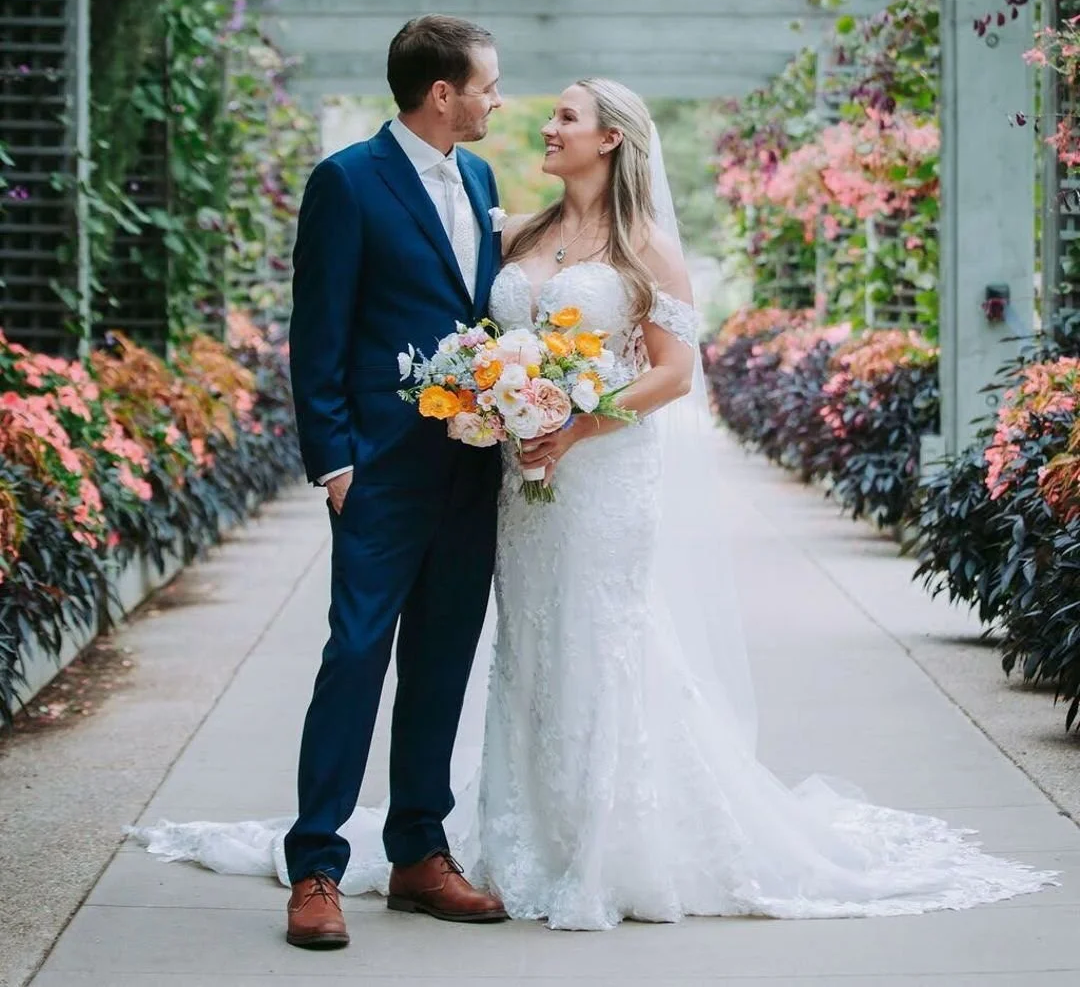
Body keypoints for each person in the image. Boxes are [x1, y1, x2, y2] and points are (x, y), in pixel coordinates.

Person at [132, 77, 1056, 933]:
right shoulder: (515, 229)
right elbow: (454, 328)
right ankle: (456, 841)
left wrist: (575, 424)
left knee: (593, 641)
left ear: (610, 139)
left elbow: (675, 371)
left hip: (600, 479)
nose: (540, 119)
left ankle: (602, 845)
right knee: (521, 650)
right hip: (508, 485)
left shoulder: (644, 244)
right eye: (517, 98)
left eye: (566, 115)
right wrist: (470, 411)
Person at [281, 14, 506, 947]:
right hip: (377, 474)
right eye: (489, 84)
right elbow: (318, 331)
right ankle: (316, 868)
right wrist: (336, 465)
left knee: (443, 662)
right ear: (442, 93)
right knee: (356, 656)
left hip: (471, 468)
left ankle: (418, 850)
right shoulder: (346, 181)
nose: (498, 98)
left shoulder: (483, 177)